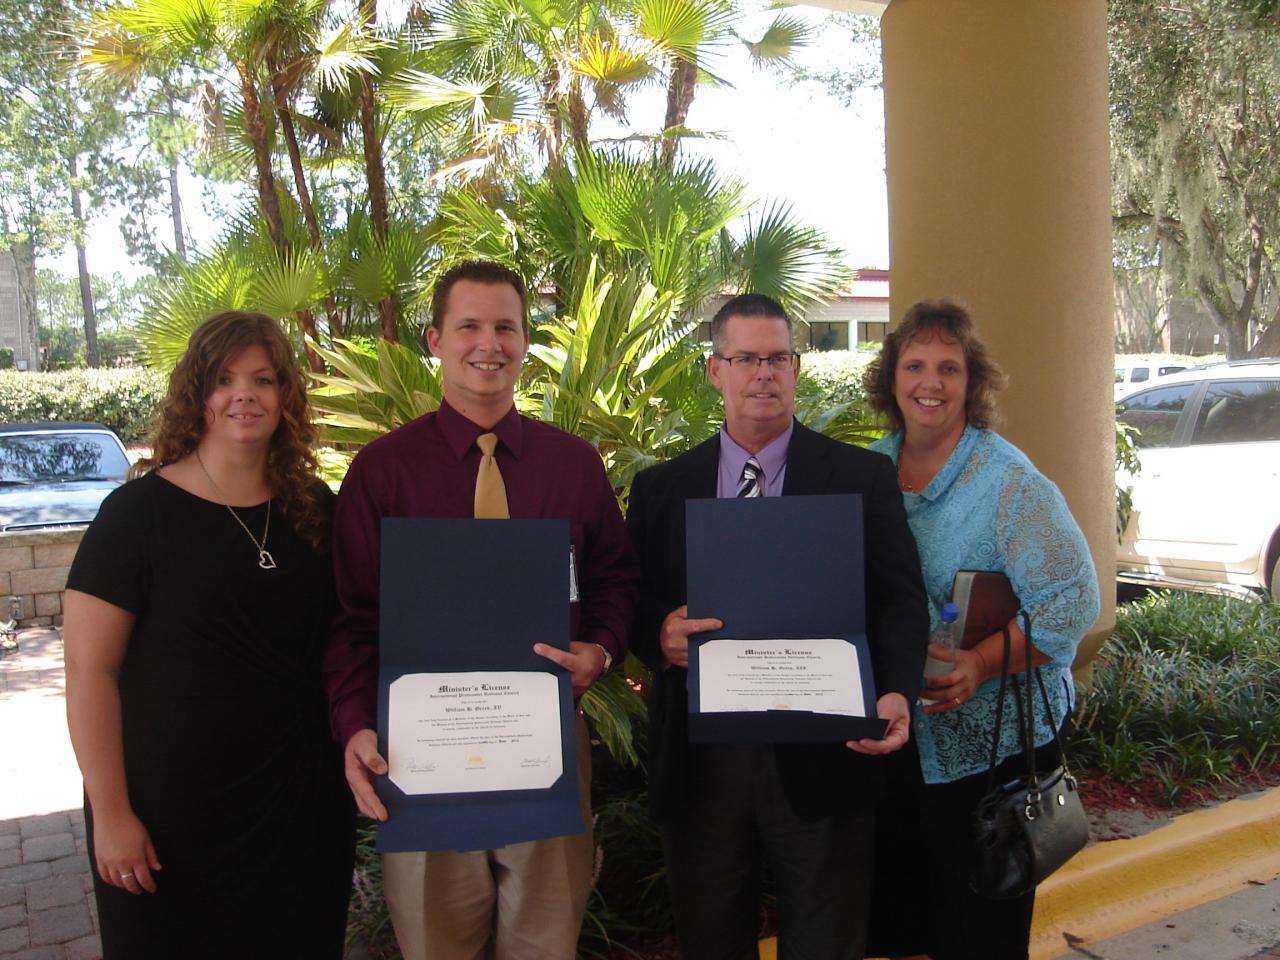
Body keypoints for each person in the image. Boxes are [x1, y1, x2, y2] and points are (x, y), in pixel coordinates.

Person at [324, 259, 638, 960]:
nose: (488, 343)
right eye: (469, 325)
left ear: (527, 341)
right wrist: (353, 726)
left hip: (545, 744)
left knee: (545, 945)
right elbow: (352, 618)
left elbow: (616, 579)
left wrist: (602, 648)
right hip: (419, 753)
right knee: (438, 945)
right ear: (434, 339)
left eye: (506, 326)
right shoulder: (383, 472)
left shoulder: (573, 466)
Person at [626, 293, 929, 960]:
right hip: (704, 767)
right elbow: (631, 601)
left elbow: (899, 603)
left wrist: (898, 691)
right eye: (745, 358)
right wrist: (659, 634)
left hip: (824, 759)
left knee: (826, 943)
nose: (763, 373)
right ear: (715, 371)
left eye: (778, 358)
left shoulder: (860, 478)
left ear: (795, 369)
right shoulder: (662, 490)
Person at [63, 311, 355, 959]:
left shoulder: (314, 506)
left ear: (286, 396)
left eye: (263, 378)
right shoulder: (136, 518)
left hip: (300, 806)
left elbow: (352, 635)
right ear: (197, 393)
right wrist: (111, 816)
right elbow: (88, 671)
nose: (244, 394)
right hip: (172, 815)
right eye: (224, 379)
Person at [860, 298, 1101, 960]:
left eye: (949, 368)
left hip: (988, 756)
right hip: (897, 745)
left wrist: (983, 663)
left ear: (974, 382)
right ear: (890, 380)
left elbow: (1073, 600)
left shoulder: (1007, 482)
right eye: (914, 365)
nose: (930, 383)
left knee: (978, 940)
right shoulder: (867, 471)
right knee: (904, 927)